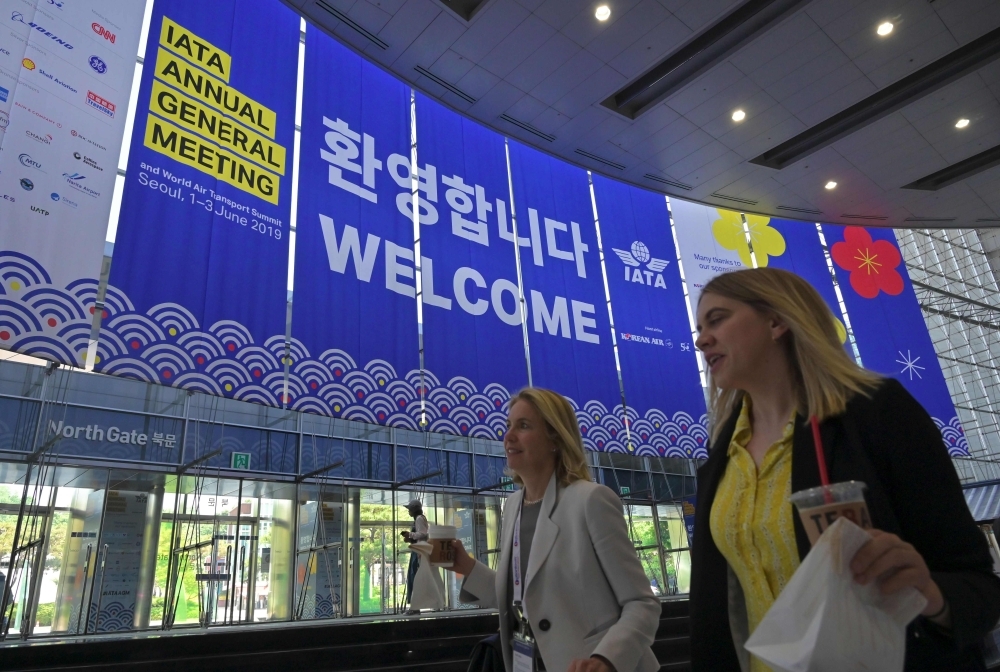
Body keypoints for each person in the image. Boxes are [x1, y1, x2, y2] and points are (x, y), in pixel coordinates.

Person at [688, 267, 1000, 671]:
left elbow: (978, 586)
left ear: (777, 319)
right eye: (699, 326)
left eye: (717, 319)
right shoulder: (722, 455)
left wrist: (928, 592)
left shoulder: (877, 414)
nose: (701, 339)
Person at [446, 388, 661, 672]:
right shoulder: (512, 506)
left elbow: (642, 603)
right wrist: (466, 566)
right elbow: (524, 599)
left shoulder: (591, 500)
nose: (508, 436)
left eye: (523, 426)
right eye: (508, 426)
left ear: (555, 439)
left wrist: (606, 659)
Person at [402, 498, 428, 613]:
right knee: (414, 579)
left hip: (419, 553)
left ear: (413, 509)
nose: (408, 512)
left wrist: (410, 534)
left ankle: (415, 607)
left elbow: (423, 534)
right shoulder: (420, 519)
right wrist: (410, 539)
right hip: (418, 551)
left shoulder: (419, 519)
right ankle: (415, 606)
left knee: (415, 579)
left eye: (409, 509)